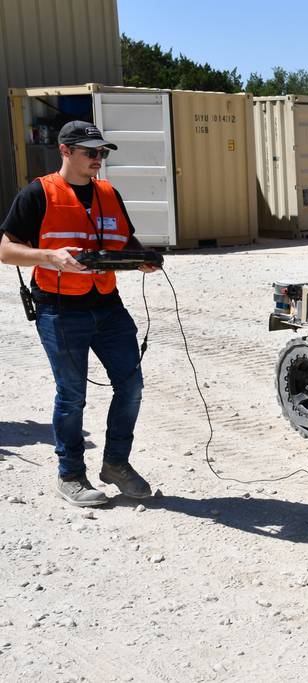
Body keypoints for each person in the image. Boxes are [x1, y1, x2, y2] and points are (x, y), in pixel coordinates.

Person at [0, 121, 158, 507]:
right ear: (65, 151)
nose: (98, 159)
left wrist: (141, 258)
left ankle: (116, 464)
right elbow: (6, 250)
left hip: (107, 305)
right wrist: (49, 256)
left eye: (102, 152)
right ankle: (70, 474)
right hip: (59, 309)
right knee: (72, 395)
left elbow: (125, 240)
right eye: (90, 152)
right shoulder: (38, 193)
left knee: (131, 386)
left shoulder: (108, 193)